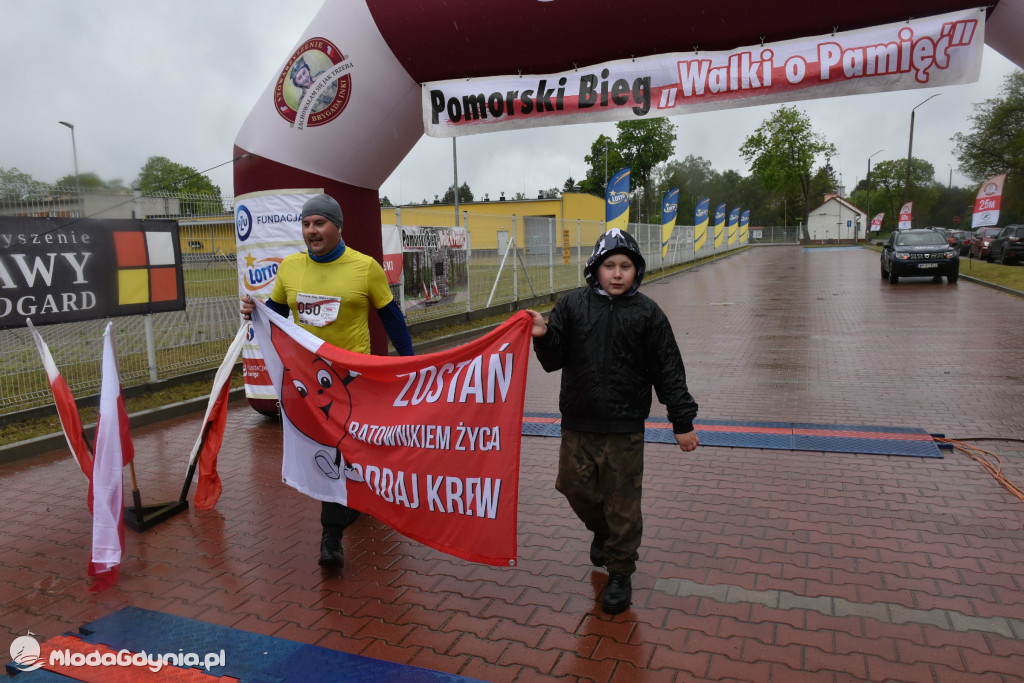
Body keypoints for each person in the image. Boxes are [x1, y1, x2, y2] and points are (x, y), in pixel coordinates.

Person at [525, 228, 698, 615]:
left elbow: (669, 370)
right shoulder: (571, 306)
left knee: (623, 503)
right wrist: (542, 335)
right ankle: (602, 533)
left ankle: (620, 572)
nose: (617, 274)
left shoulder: (648, 314)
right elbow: (554, 360)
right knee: (571, 486)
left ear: (637, 270)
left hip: (625, 428)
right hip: (578, 423)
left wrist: (681, 421)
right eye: (609, 266)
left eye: (626, 266)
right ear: (595, 269)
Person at [241, 193, 413, 570]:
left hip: (356, 379)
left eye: (319, 223)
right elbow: (276, 317)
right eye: (306, 224)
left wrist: (412, 365)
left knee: (355, 449)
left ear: (337, 227)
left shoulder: (364, 267)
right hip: (313, 383)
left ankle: (354, 501)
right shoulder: (290, 268)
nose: (311, 231)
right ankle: (331, 539)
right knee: (331, 451)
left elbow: (392, 318)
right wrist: (255, 312)